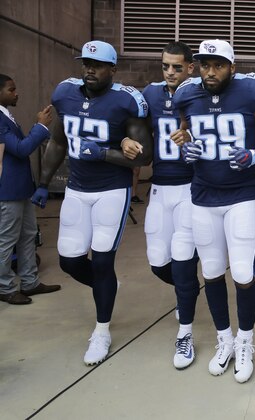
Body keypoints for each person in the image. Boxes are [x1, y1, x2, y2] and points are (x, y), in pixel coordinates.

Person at [174, 39, 255, 383]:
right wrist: (185, 148)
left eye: (218, 65)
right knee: (210, 273)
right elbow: (183, 131)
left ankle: (245, 341)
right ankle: (224, 339)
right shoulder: (187, 94)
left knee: (242, 274)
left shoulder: (253, 92)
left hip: (239, 196)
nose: (211, 71)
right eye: (205, 64)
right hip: (202, 195)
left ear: (232, 67)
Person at [32, 41, 152, 364]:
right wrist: (43, 182)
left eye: (97, 65)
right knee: (69, 261)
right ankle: (107, 287)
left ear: (113, 69)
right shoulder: (65, 93)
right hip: (76, 188)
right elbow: (58, 141)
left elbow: (146, 155)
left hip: (111, 189)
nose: (89, 69)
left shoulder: (127, 101)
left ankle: (101, 330)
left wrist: (106, 152)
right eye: (85, 63)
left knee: (101, 261)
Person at [125, 41, 199, 369]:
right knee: (158, 262)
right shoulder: (150, 94)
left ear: (190, 68)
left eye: (177, 66)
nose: (170, 72)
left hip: (190, 189)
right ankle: (189, 290)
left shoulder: (201, 91)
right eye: (166, 66)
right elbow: (129, 128)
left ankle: (185, 332)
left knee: (183, 261)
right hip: (160, 188)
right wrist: (124, 140)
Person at [0, 74, 61, 305]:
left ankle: (30, 282)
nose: (16, 93)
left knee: (27, 236)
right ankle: (4, 287)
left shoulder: (6, 115)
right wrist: (40, 127)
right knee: (6, 240)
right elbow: (21, 149)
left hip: (20, 189)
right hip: (7, 191)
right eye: (11, 90)